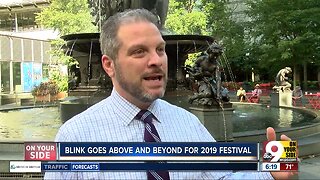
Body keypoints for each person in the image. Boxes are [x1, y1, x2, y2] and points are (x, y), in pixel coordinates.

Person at [45, 9, 295, 180]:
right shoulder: (75, 136)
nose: (156, 60)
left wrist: (270, 172)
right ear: (109, 65)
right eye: (139, 52)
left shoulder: (188, 124)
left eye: (160, 49)